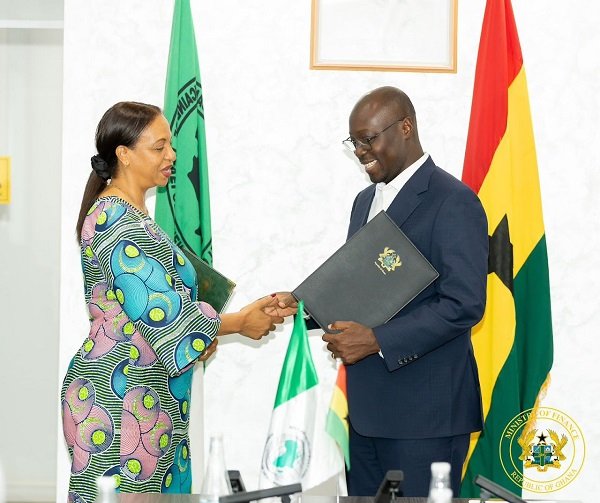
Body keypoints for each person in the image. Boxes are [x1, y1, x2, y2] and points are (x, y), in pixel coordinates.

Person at [61, 101, 295, 503]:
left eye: (170, 145)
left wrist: (216, 330)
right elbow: (160, 311)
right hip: (118, 398)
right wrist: (239, 322)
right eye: (159, 147)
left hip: (144, 392)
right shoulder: (114, 218)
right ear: (124, 154)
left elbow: (169, 310)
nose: (171, 155)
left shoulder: (132, 215)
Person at [322, 87, 488, 497]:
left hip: (425, 418)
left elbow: (464, 303)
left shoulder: (454, 201)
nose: (360, 151)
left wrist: (377, 340)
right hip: (365, 414)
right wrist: (303, 305)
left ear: (406, 127)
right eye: (353, 142)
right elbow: (361, 287)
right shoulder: (363, 201)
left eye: (368, 139)